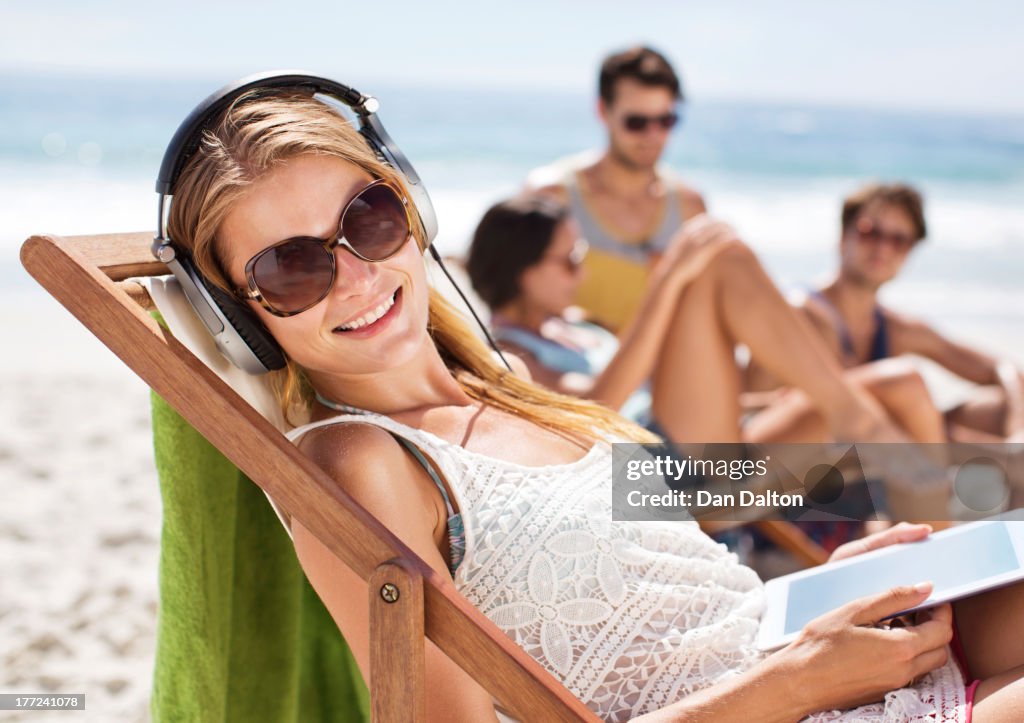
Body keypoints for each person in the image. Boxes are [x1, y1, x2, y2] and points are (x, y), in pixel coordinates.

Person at [168, 86, 1024, 721]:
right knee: (727, 264)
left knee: (900, 398)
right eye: (293, 267)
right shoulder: (360, 462)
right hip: (799, 689)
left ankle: (947, 477)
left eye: (370, 218)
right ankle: (944, 474)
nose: (355, 274)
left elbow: (670, 541)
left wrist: (811, 600)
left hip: (787, 629)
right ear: (241, 317)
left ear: (413, 210)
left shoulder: (507, 389)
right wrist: (801, 676)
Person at [465, 195, 947, 448]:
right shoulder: (511, 355)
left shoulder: (576, 327)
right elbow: (594, 414)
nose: (582, 272)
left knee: (902, 384)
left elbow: (661, 387)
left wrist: (763, 400)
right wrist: (668, 281)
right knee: (720, 258)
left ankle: (946, 586)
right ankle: (851, 415)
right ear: (520, 271)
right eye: (568, 260)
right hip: (658, 482)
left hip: (703, 446)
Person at [746, 182, 1024, 446]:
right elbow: (869, 422)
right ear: (843, 237)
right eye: (870, 232)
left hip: (863, 463)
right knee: (903, 385)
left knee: (998, 408)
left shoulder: (894, 328)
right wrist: (994, 453)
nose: (882, 247)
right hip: (773, 465)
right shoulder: (802, 312)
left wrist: (1017, 431)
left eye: (899, 240)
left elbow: (1001, 368)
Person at [527, 45, 705, 333]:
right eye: (637, 122)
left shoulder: (690, 206)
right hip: (579, 367)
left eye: (666, 121)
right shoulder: (552, 195)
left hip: (668, 371)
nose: (653, 135)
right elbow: (519, 311)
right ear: (603, 111)